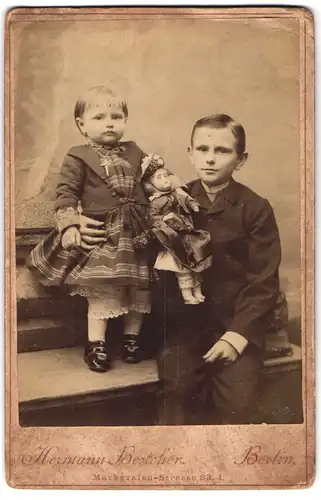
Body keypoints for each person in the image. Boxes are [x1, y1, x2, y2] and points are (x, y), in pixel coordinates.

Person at [155, 113, 282, 424]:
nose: (209, 159)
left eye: (222, 151)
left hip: (236, 324)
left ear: (241, 159)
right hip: (186, 329)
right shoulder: (174, 202)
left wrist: (236, 337)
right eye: (202, 149)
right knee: (178, 394)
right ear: (190, 153)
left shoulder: (255, 208)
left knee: (237, 404)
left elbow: (263, 282)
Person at [27, 85, 154, 372]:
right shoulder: (79, 155)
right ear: (81, 125)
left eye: (116, 116)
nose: (109, 122)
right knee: (103, 292)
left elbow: (153, 179)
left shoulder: (135, 152)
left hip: (136, 234)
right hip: (105, 235)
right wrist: (70, 225)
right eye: (99, 117)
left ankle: (132, 339)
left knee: (140, 290)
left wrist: (169, 188)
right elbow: (66, 193)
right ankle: (96, 344)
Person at [133, 153, 212, 304]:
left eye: (166, 176)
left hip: (186, 232)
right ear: (151, 185)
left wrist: (193, 205)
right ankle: (187, 294)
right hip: (172, 237)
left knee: (194, 263)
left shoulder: (177, 193)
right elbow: (151, 218)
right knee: (182, 268)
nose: (165, 180)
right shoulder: (156, 202)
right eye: (159, 178)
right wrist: (164, 220)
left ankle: (197, 291)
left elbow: (187, 199)